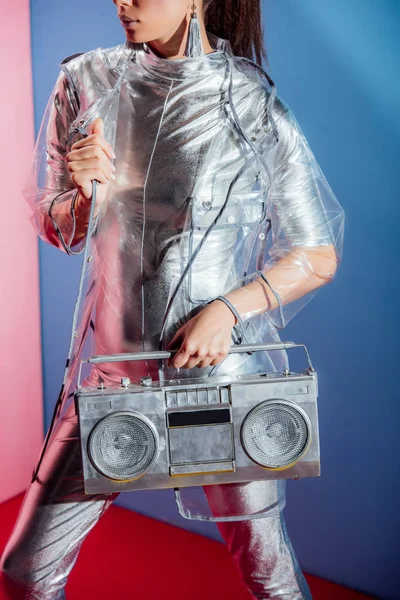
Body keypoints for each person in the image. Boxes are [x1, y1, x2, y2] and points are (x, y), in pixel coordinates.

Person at [0, 0, 345, 598]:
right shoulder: (85, 82)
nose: (122, 1)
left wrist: (227, 311)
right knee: (25, 571)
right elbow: (59, 231)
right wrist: (82, 196)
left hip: (221, 383)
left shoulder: (249, 105)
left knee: (270, 580)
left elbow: (316, 253)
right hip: (114, 383)